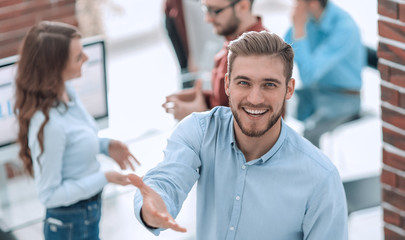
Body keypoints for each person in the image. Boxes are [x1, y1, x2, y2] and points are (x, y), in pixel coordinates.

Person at [129, 31, 348, 239]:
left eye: (269, 85)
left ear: (289, 89)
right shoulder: (200, 132)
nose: (254, 98)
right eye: (243, 82)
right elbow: (166, 179)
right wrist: (152, 204)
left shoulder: (320, 178)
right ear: (227, 84)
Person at [13, 21, 140, 240]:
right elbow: (49, 195)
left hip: (88, 212)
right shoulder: (49, 124)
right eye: (78, 56)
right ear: (56, 67)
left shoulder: (67, 93)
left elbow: (76, 138)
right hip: (69, 225)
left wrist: (105, 145)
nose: (87, 58)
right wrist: (105, 177)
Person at [162, 0, 267, 121]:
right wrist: (205, 99)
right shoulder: (232, 44)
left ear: (243, 6)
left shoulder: (258, 55)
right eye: (205, 9)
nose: (207, 19)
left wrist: (200, 115)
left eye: (215, 11)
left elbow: (255, 126)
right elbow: (228, 104)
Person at [284, 0, 365, 147]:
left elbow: (308, 75)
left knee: (310, 134)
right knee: (272, 106)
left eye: (297, 3)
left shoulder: (344, 28)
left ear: (313, 3)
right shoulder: (310, 18)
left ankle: (310, 170)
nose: (294, 7)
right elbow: (282, 50)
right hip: (315, 92)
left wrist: (299, 29)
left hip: (342, 98)